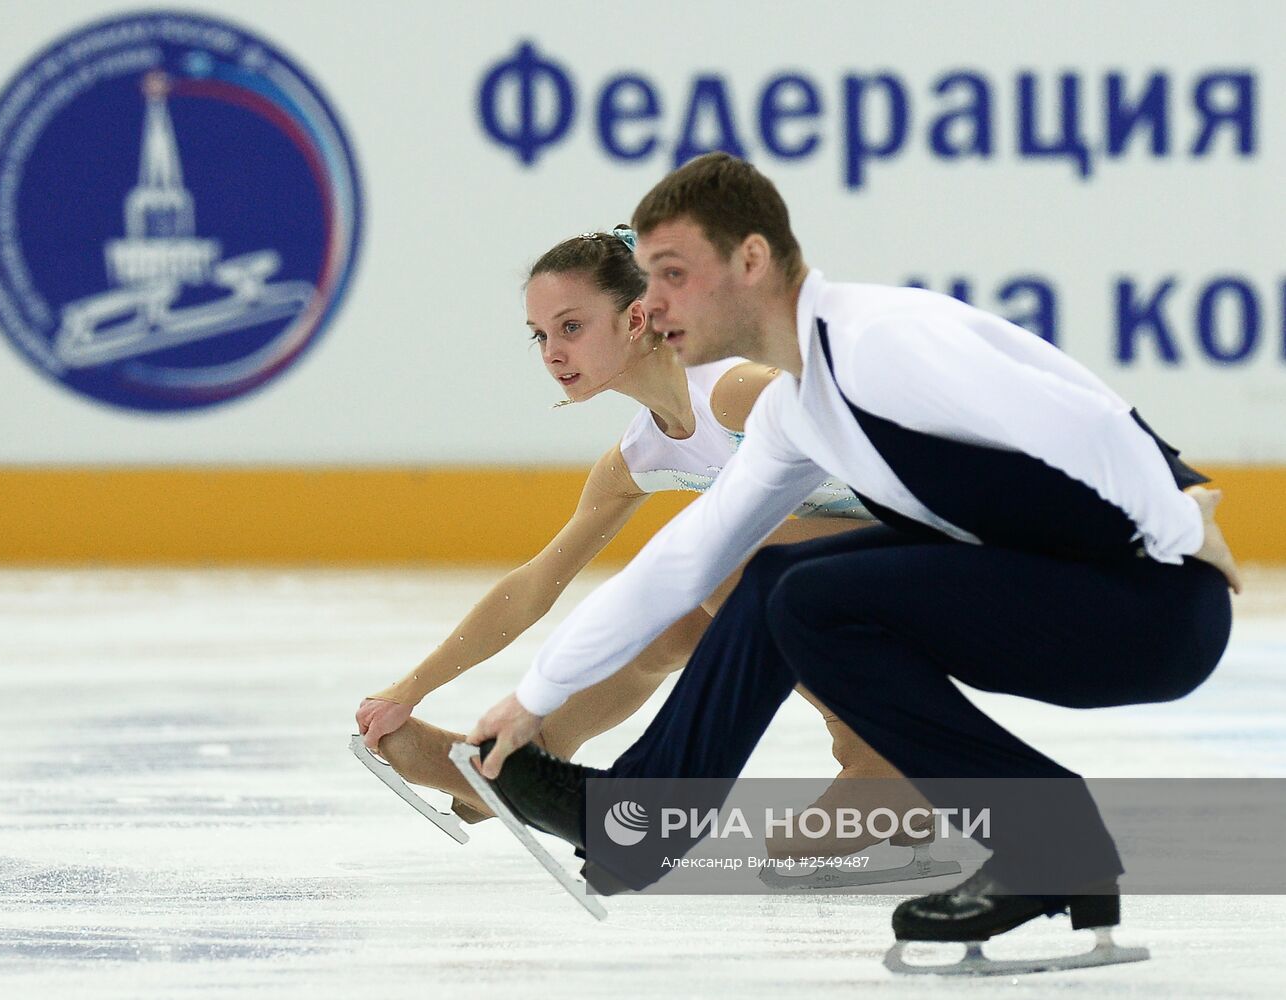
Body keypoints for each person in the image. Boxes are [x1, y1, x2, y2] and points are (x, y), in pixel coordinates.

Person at [466, 154, 1239, 961]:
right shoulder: (801, 405)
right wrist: (532, 700)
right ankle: (642, 819)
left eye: (670, 275)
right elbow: (686, 558)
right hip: (1077, 588)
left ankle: (1046, 835)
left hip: (1150, 603)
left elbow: (1084, 417)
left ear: (751, 262)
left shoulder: (880, 344)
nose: (651, 306)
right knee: (774, 581)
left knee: (810, 600)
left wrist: (1175, 530)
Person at [356, 226, 906, 857]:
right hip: (866, 578)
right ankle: (523, 764)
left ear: (637, 316)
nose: (551, 353)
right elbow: (533, 586)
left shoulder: (735, 390)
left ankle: (880, 758)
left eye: (570, 327)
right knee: (671, 613)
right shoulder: (640, 454)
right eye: (540, 335)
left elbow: (893, 443)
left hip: (957, 549)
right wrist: (411, 688)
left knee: (723, 560)